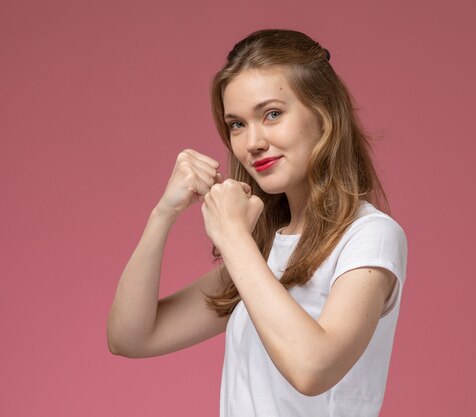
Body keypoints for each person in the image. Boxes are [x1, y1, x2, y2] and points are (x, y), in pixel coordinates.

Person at [107, 28, 408, 417]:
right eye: (237, 124)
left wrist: (232, 238)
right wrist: (163, 213)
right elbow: (130, 337)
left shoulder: (370, 236)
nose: (252, 143)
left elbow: (313, 368)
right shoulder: (262, 250)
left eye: (272, 114)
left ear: (324, 114)